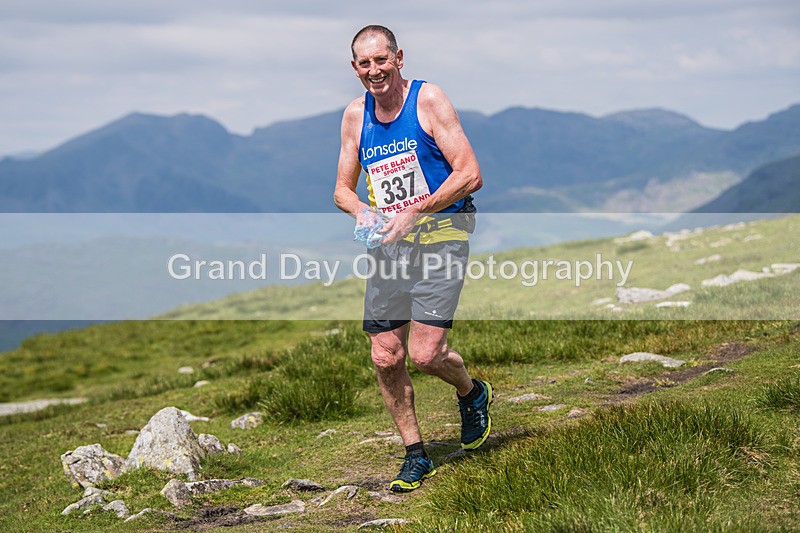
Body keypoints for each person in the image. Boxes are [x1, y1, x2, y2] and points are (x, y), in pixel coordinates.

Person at [334, 25, 493, 493]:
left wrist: (414, 211)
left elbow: (470, 173)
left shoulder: (428, 100)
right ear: (354, 68)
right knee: (385, 355)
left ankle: (471, 391)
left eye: (381, 60)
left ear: (399, 57)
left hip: (443, 233)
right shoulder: (353, 115)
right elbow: (341, 188)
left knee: (426, 354)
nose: (374, 71)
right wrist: (363, 209)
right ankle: (415, 455)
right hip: (389, 244)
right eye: (364, 64)